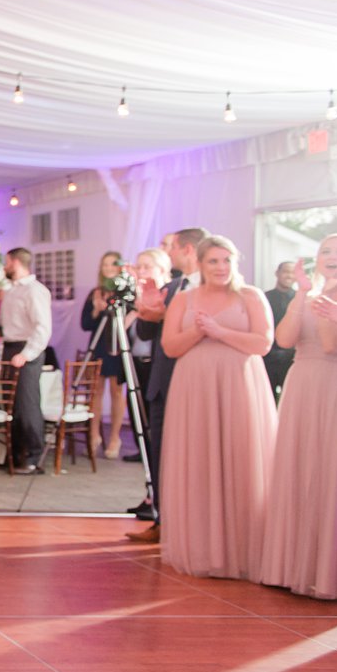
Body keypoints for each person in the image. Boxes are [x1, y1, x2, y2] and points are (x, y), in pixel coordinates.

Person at [159, 235, 276, 581]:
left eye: (227, 260)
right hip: (194, 388)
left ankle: (244, 547)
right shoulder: (184, 299)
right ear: (200, 263)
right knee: (200, 461)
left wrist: (220, 331)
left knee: (241, 459)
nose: (221, 268)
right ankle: (202, 547)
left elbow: (263, 343)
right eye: (214, 261)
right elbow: (170, 347)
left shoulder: (250, 296)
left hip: (240, 384)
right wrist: (199, 332)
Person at [259, 236, 337, 599]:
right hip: (302, 386)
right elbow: (283, 340)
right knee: (300, 467)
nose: (333, 258)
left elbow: (333, 344)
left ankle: (332, 572)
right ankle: (291, 565)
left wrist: (329, 297)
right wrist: (303, 294)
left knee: (333, 468)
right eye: (326, 253)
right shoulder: (309, 295)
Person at [127, 227, 206, 540]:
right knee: (161, 452)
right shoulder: (172, 287)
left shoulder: (214, 290)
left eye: (168, 246)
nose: (166, 252)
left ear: (187, 249)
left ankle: (193, 525)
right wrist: (146, 310)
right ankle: (161, 520)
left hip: (196, 380)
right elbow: (147, 337)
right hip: (163, 380)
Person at [0, 247, 52, 475]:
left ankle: (33, 456)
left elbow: (42, 327)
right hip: (10, 347)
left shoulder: (34, 290)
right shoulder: (12, 290)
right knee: (12, 406)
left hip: (25, 350)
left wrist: (27, 354)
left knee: (26, 405)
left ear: (15, 262)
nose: (4, 267)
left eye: (7, 262)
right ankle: (16, 455)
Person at [121, 248, 171, 473]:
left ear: (162, 269)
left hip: (159, 366)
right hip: (138, 363)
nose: (141, 271)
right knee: (138, 414)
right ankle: (146, 456)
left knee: (158, 420)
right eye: (138, 266)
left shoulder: (171, 294)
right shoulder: (137, 297)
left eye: (147, 266)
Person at [79, 251, 132, 458]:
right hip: (99, 345)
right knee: (96, 392)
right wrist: (96, 310)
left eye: (112, 264)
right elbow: (85, 325)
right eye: (105, 265)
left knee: (117, 391)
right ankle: (94, 435)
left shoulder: (125, 293)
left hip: (117, 345)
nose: (108, 268)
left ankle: (114, 437)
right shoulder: (95, 293)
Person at [263, 260, 298, 401]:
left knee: (290, 399)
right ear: (277, 274)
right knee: (267, 398)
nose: (289, 275)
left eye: (292, 272)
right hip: (268, 357)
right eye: (286, 271)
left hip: (292, 358)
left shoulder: (300, 299)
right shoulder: (265, 297)